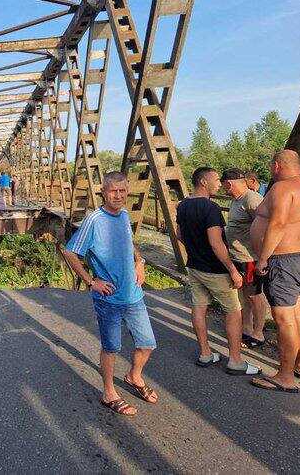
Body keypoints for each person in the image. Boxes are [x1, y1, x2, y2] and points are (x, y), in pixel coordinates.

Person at [60, 171, 157, 416]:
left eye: (123, 190)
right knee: (111, 348)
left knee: (147, 344)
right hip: (109, 299)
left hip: (133, 295)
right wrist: (91, 281)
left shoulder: (124, 215)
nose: (118, 195)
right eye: (113, 191)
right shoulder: (94, 220)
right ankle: (109, 392)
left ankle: (134, 376)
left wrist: (140, 261)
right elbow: (70, 252)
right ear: (103, 191)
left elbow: (128, 241)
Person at [176, 167, 260, 375]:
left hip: (194, 267)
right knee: (233, 311)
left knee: (199, 307)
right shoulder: (210, 208)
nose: (219, 183)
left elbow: (179, 234)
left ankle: (205, 354)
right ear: (203, 182)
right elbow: (216, 243)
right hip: (215, 269)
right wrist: (232, 268)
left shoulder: (183, 205)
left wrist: (195, 248)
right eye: (215, 180)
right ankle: (235, 361)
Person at [250, 150, 300, 393]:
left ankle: (285, 376)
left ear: (276, 166)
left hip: (283, 260)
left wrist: (263, 258)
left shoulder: (283, 188)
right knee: (297, 313)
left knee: (283, 319)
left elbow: (278, 223)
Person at [220, 168, 269, 348]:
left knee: (255, 295)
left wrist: (262, 256)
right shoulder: (236, 200)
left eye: (225, 186)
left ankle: (259, 332)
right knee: (245, 296)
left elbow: (265, 226)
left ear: (229, 183)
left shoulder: (252, 199)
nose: (224, 190)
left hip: (250, 258)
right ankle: (247, 329)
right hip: (238, 257)